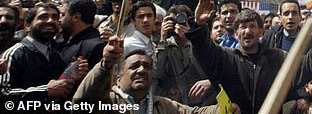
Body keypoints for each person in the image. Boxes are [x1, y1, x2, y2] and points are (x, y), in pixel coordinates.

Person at [188, 0, 312, 114]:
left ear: (261, 32)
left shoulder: (277, 58)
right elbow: (204, 51)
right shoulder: (226, 57)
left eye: (252, 26)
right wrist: (199, 24)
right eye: (243, 27)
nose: (247, 31)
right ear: (236, 34)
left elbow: (303, 68)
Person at [73, 36, 238, 113]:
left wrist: (224, 110)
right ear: (118, 79)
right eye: (134, 66)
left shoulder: (164, 106)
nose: (141, 70)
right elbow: (82, 103)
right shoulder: (108, 102)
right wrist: (106, 64)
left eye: (147, 66)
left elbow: (195, 113)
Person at [0, 3, 89, 102]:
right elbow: (4, 94)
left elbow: (60, 92)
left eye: (54, 17)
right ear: (28, 25)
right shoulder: (14, 54)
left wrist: (72, 77)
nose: (50, 21)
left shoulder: (55, 56)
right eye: (43, 17)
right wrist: (45, 91)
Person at [156, 5, 215, 106]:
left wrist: (188, 39)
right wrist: (162, 40)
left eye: (180, 21)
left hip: (201, 103)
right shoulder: (163, 46)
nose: (176, 26)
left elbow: (211, 70)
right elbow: (157, 72)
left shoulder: (200, 45)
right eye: (173, 21)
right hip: (173, 104)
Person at [56, 0, 105, 68]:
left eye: (63, 15)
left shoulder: (94, 47)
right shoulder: (61, 38)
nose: (59, 19)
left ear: (76, 17)